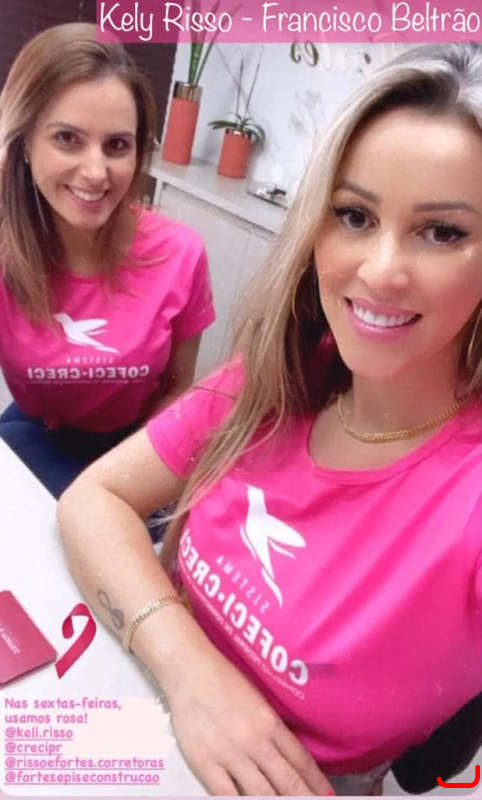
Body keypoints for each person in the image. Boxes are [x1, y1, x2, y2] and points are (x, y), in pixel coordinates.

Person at [58, 43, 482, 796]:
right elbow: (94, 499)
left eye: (443, 232)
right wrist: (192, 673)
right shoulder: (285, 370)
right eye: (354, 216)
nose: (380, 270)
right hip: (135, 701)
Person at [0, 23, 215, 498]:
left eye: (117, 145)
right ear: (25, 142)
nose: (96, 172)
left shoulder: (181, 254)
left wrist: (125, 487)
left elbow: (178, 390)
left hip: (139, 448)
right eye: (67, 139)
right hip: (36, 438)